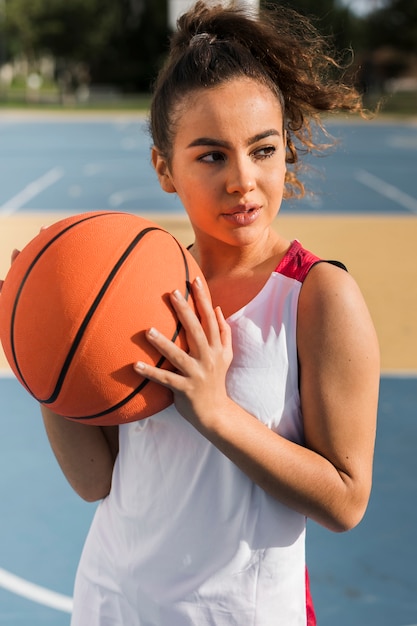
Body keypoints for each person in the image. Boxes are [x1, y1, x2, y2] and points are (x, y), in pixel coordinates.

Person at [40, 2, 380, 624]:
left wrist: (217, 413)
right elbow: (97, 482)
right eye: (211, 155)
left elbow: (346, 501)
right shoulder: (134, 288)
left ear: (287, 155)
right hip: (111, 604)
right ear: (164, 168)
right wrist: (46, 348)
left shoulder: (317, 296)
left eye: (262, 149)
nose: (243, 180)